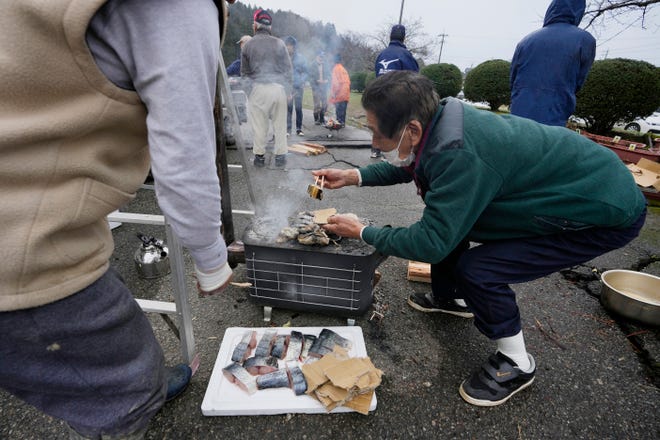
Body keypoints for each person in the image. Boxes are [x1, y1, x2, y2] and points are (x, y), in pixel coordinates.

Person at [313, 71, 646, 407]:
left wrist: (363, 232)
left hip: (600, 210)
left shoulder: (459, 152)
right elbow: (412, 165)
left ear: (412, 129)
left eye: (373, 131)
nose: (371, 141)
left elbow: (430, 243)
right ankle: (452, 299)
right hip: (575, 181)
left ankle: (516, 363)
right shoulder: (437, 123)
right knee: (451, 221)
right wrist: (354, 175)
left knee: (480, 269)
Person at [0, 0, 235, 438]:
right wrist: (211, 258)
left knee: (113, 329)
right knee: (127, 391)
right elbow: (185, 162)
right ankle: (126, 396)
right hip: (23, 251)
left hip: (28, 213)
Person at [510, 0, 596, 127]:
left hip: (520, 108)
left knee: (517, 142)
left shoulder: (526, 40)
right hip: (555, 109)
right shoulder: (585, 40)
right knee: (545, 145)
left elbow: (513, 77)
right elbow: (579, 81)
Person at [241, 9, 293, 168]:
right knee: (280, 124)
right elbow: (288, 69)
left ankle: (259, 158)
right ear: (269, 27)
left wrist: (250, 92)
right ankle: (280, 157)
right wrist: (288, 90)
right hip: (278, 89)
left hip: (258, 88)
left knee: (259, 126)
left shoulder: (248, 44)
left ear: (255, 26)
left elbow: (244, 73)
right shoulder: (279, 43)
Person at [371, 24, 419, 158]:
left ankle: (375, 150)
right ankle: (402, 154)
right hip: (398, 96)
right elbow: (414, 76)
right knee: (403, 124)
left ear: (390, 36)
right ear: (404, 38)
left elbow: (377, 74)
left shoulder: (382, 54)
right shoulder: (405, 55)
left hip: (380, 95)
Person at [284, 36, 308, 136]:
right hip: (287, 87)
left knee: (298, 108)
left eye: (291, 45)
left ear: (294, 46)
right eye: (287, 45)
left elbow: (306, 72)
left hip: (298, 88)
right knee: (288, 109)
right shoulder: (283, 58)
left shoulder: (301, 58)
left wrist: (302, 81)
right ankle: (288, 130)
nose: (289, 47)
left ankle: (299, 129)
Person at [329, 53, 351, 128]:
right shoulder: (342, 68)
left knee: (339, 110)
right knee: (343, 110)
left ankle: (339, 124)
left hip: (340, 93)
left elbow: (335, 84)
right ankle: (342, 123)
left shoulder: (335, 69)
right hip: (346, 92)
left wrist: (333, 94)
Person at [310, 50, 330, 125]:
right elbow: (310, 77)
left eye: (322, 56)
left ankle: (322, 118)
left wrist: (327, 80)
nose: (321, 58)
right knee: (317, 104)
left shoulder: (325, 65)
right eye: (320, 56)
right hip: (316, 87)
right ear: (317, 56)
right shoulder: (312, 65)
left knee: (325, 104)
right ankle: (316, 119)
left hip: (323, 87)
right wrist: (316, 80)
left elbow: (328, 74)